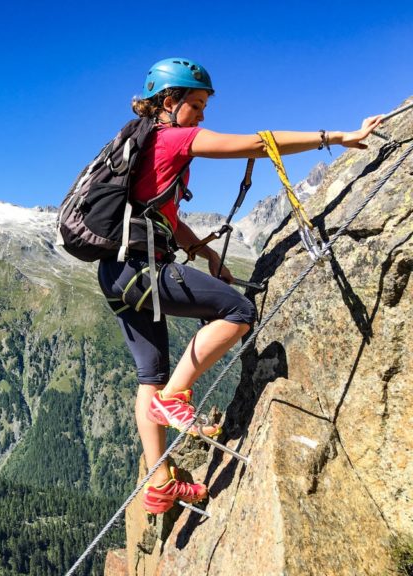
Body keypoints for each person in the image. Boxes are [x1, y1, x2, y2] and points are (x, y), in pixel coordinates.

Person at [97, 57, 383, 514]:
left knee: (148, 378)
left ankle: (160, 485)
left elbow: (157, 216)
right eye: (197, 104)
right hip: (143, 270)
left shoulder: (141, 143)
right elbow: (258, 144)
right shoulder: (174, 139)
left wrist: (206, 252)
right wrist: (339, 137)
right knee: (239, 314)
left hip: (115, 275)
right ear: (169, 102)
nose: (203, 116)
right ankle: (176, 398)